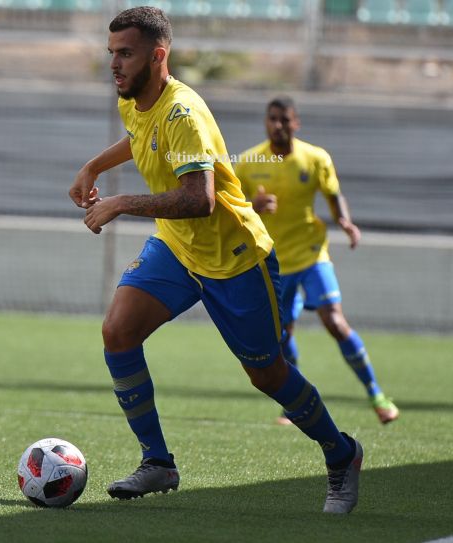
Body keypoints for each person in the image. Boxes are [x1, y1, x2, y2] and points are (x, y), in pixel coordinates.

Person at [68, 7, 362, 513]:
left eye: (125, 54)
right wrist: (94, 165)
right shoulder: (135, 96)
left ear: (158, 56)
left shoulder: (184, 113)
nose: (115, 64)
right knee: (117, 332)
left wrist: (120, 203)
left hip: (235, 259)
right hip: (177, 250)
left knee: (267, 374)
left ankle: (341, 453)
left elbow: (199, 199)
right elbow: (140, 137)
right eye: (111, 53)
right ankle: (158, 461)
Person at [234, 96, 399, 425]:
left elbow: (334, 195)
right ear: (266, 122)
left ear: (296, 123)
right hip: (275, 263)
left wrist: (345, 223)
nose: (278, 125)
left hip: (312, 256)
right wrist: (254, 204)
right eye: (272, 119)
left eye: (285, 119)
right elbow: (231, 205)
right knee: (282, 338)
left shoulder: (315, 158)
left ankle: (377, 394)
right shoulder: (249, 162)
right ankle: (295, 404)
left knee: (335, 322)